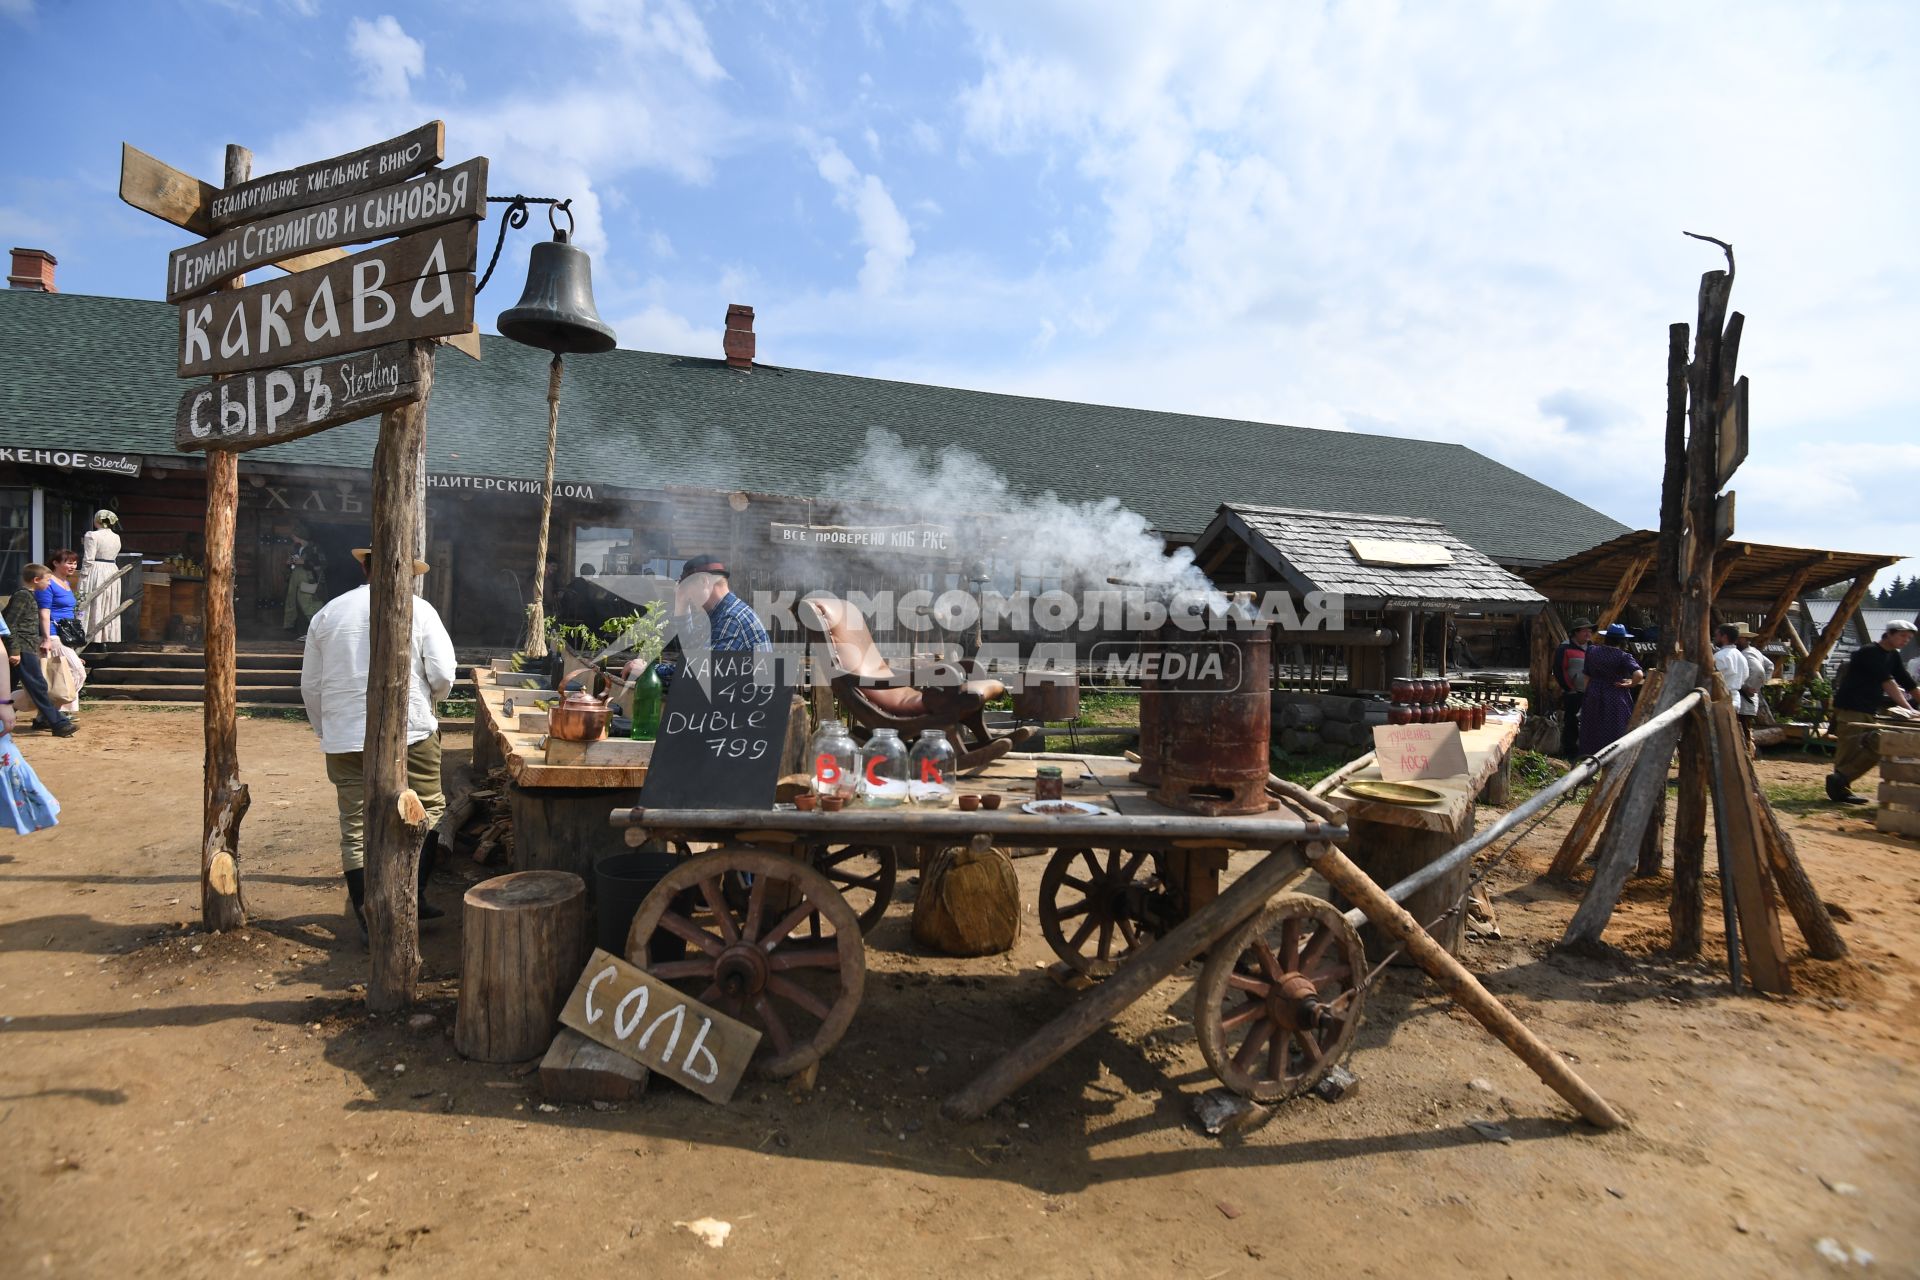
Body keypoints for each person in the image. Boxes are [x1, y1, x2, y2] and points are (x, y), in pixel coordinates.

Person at [299, 545, 456, 939]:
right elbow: (442, 675)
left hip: (344, 737)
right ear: (408, 573)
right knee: (429, 807)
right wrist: (433, 701)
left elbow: (311, 687)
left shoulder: (328, 613)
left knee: (354, 825)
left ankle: (368, 917)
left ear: (365, 568)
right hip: (412, 732)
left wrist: (326, 729)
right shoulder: (421, 610)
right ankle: (412, 899)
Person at [1825, 619, 1920, 805]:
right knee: (1849, 751)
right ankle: (1840, 791)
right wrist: (1910, 710)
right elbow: (1888, 682)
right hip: (1851, 706)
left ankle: (1840, 781)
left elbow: (1908, 683)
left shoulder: (1892, 656)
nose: (1905, 641)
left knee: (1879, 745)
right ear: (1889, 634)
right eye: (1902, 636)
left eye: (1908, 638)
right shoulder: (1869, 652)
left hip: (1869, 708)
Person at [653, 556, 770, 690]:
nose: (686, 595)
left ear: (703, 581)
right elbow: (691, 652)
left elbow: (697, 677)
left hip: (749, 708)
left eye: (686, 588)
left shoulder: (731, 619)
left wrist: (650, 671)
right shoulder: (717, 615)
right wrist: (681, 604)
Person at [4, 564, 76, 736]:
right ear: (36, 580)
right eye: (47, 580)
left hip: (26, 646)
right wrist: (14, 650)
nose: (49, 583)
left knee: (7, 687)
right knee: (38, 685)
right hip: (21, 648)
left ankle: (44, 719)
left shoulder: (30, 596)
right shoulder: (23, 596)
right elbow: (9, 624)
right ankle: (58, 723)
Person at [1577, 623, 1645, 756]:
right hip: (1615, 694)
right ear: (1623, 640)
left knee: (1592, 725)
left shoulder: (1592, 651)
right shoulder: (1623, 656)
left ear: (1606, 638)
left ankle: (1588, 759)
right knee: (1615, 727)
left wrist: (1589, 691)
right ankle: (1612, 758)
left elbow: (1586, 674)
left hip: (1594, 693)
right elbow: (1639, 674)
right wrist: (1631, 684)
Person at [80, 510, 123, 644]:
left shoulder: (92, 535)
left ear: (97, 520)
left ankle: (91, 638)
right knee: (108, 603)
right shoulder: (116, 537)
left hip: (96, 569)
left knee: (93, 601)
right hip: (112, 569)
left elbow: (88, 559)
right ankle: (106, 638)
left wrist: (83, 575)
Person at [1553, 617, 1595, 758]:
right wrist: (1569, 688)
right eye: (1585, 631)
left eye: (1590, 631)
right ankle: (1570, 752)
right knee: (1571, 721)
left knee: (1589, 722)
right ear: (1575, 632)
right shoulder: (1564, 648)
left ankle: (1585, 750)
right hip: (1573, 692)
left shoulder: (1592, 648)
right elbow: (1559, 670)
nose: (1588, 634)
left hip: (1589, 692)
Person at [1712, 623, 1752, 752]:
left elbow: (1712, 678)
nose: (1715, 637)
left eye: (1717, 635)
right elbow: (1745, 676)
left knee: (1719, 735)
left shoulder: (1719, 657)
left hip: (1720, 698)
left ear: (1724, 637)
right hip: (1735, 698)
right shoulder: (1741, 656)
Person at [1735, 623, 1774, 756]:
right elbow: (1770, 666)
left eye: (1738, 638)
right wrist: (1761, 684)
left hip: (1745, 699)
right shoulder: (1754, 651)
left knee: (1744, 730)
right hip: (1749, 699)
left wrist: (1750, 687)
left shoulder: (1747, 654)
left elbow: (1759, 671)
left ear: (1744, 639)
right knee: (1746, 729)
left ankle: (1747, 757)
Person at [283, 527, 327, 637]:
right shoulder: (296, 547)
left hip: (309, 578)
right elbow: (291, 563)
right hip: (295, 577)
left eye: (294, 535)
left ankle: (319, 631)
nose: (292, 537)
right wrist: (289, 563)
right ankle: (291, 629)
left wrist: (305, 562)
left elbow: (323, 563)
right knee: (292, 601)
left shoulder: (314, 547)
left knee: (309, 603)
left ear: (299, 536)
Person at [36, 550, 80, 649]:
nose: (73, 567)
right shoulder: (48, 583)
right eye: (69, 563)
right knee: (75, 665)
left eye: (75, 563)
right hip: (53, 634)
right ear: (55, 563)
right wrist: (47, 639)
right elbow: (44, 612)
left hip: (67, 633)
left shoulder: (66, 583)